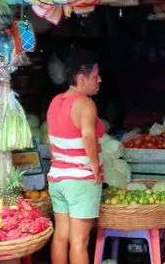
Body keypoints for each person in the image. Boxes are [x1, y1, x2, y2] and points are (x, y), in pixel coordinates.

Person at [47, 48, 104, 264]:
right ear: (82, 78)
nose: (99, 80)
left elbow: (49, 138)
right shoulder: (86, 104)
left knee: (61, 237)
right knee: (80, 241)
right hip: (80, 181)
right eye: (95, 76)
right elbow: (88, 135)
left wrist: (60, 163)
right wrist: (95, 166)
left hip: (58, 178)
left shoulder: (55, 102)